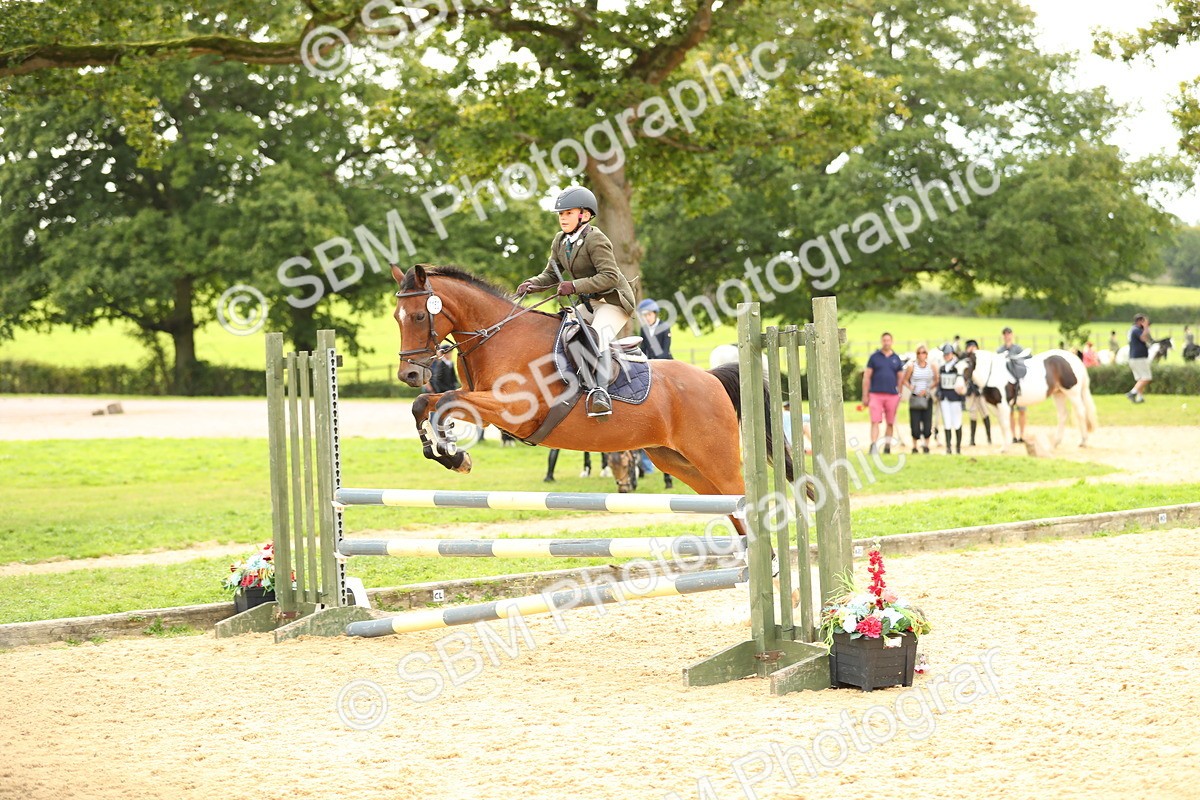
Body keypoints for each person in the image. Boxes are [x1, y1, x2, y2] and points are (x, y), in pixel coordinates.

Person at [518, 186, 636, 417]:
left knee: (597, 336)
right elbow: (551, 274)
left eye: (568, 213)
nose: (563, 218)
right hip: (591, 303)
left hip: (613, 301)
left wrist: (574, 286)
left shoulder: (596, 239)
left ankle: (600, 394)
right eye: (561, 214)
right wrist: (532, 284)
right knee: (561, 331)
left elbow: (610, 276)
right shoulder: (560, 241)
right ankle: (572, 382)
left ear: (585, 214)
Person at [861, 333, 904, 454]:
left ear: (892, 342)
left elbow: (900, 378)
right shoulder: (874, 357)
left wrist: (899, 394)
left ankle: (887, 446)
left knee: (890, 422)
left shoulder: (896, 358)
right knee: (875, 420)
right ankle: (874, 445)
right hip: (876, 394)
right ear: (881, 341)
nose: (886, 343)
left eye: (888, 340)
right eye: (884, 340)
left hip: (892, 394)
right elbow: (867, 376)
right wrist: (865, 394)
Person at [901, 344, 936, 453]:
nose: (921, 355)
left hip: (926, 397)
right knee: (915, 423)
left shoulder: (931, 366)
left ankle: (926, 445)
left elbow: (936, 380)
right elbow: (905, 380)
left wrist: (927, 389)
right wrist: (911, 387)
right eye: (919, 353)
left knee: (927, 423)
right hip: (915, 398)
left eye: (923, 352)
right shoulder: (912, 366)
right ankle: (915, 446)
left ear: (926, 354)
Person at [997, 326, 1027, 443]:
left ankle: (1022, 434)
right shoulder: (1000, 350)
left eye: (1009, 334)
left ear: (1012, 335)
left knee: (1022, 410)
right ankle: (1013, 435)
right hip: (1007, 386)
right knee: (1010, 411)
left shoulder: (1018, 349)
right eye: (1005, 334)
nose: (1007, 336)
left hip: (1019, 384)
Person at [962, 339, 992, 446]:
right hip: (971, 391)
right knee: (972, 414)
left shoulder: (981, 360)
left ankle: (989, 437)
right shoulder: (965, 360)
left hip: (980, 390)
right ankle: (972, 439)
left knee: (985, 413)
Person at [936, 344, 965, 454]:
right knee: (947, 422)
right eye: (945, 355)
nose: (946, 356)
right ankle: (948, 447)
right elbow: (940, 383)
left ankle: (958, 447)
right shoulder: (942, 368)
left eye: (948, 354)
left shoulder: (957, 367)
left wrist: (962, 399)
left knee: (957, 422)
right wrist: (939, 391)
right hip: (945, 398)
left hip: (955, 398)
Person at [1126, 313, 1153, 403]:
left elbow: (1149, 338)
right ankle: (1132, 393)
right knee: (1146, 377)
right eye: (1144, 321)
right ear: (1139, 321)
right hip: (1139, 358)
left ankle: (1140, 397)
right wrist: (1145, 327)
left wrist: (1146, 328)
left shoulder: (1134, 329)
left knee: (1140, 378)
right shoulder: (1136, 330)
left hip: (1134, 358)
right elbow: (1143, 338)